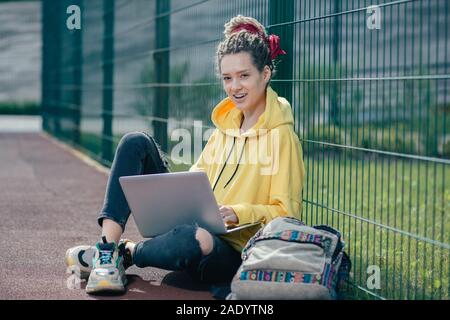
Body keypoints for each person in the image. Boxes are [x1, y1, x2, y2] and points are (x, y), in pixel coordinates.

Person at [65, 15, 305, 297]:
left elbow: (286, 214)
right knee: (135, 142)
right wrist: (180, 198)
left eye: (244, 76)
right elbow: (196, 179)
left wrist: (238, 212)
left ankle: (127, 253)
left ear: (265, 74)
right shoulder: (224, 128)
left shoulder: (281, 137)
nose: (234, 87)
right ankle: (106, 253)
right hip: (197, 222)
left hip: (233, 251)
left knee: (194, 239)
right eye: (227, 78)